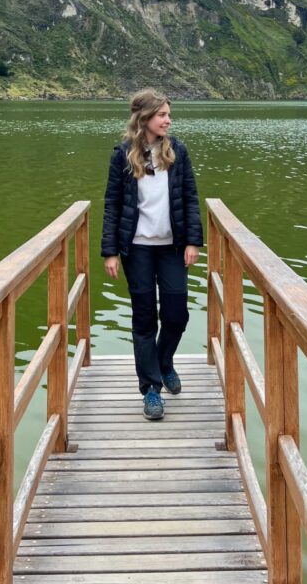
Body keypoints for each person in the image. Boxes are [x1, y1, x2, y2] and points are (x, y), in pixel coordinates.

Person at [101, 89, 203, 420]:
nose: (168, 120)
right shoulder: (122, 156)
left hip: (173, 247)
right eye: (162, 115)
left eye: (168, 115)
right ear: (144, 118)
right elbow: (112, 205)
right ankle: (151, 389)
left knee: (177, 314)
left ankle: (164, 361)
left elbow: (189, 197)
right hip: (138, 249)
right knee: (145, 318)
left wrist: (192, 241)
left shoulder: (179, 152)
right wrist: (110, 252)